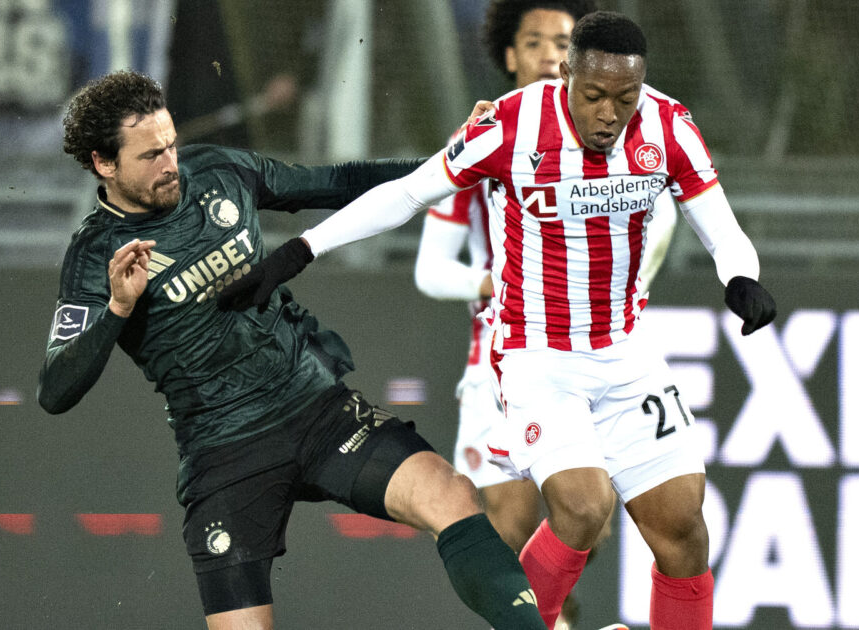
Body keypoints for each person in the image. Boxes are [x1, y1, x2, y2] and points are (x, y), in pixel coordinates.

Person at [219, 11, 777, 630]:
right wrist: (302, 249)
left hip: (626, 351)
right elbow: (407, 193)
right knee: (583, 507)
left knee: (683, 530)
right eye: (594, 96)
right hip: (539, 354)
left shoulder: (668, 126)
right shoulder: (510, 125)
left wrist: (741, 276)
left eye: (625, 99)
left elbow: (721, 228)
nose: (609, 115)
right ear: (567, 76)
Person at [36, 70, 549, 630]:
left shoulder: (217, 170)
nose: (170, 164)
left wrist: (453, 161)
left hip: (315, 409)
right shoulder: (95, 255)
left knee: (452, 496)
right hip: (223, 452)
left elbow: (336, 181)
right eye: (150, 155)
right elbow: (55, 390)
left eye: (171, 144)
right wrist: (117, 308)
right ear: (103, 163)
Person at [412, 2, 674, 628]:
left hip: (594, 355)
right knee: (507, 529)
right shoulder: (484, 138)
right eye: (533, 42)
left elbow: (663, 214)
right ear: (509, 55)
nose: (549, 54)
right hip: (502, 362)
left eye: (562, 42)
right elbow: (429, 269)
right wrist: (494, 282)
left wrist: (625, 284)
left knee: (586, 520)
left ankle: (556, 618)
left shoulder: (621, 136)